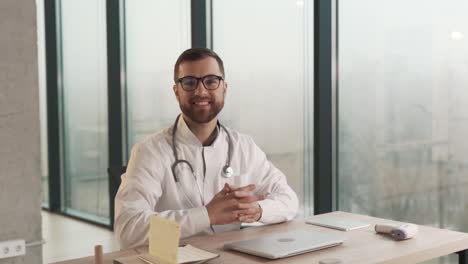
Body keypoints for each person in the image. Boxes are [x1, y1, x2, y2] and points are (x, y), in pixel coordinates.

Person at [114, 48, 298, 249]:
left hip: (232, 258)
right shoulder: (149, 151)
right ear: (177, 91)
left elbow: (289, 200)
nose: (201, 91)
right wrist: (206, 215)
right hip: (173, 259)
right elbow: (128, 229)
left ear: (224, 88)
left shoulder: (244, 147)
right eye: (190, 82)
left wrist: (257, 210)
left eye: (210, 81)